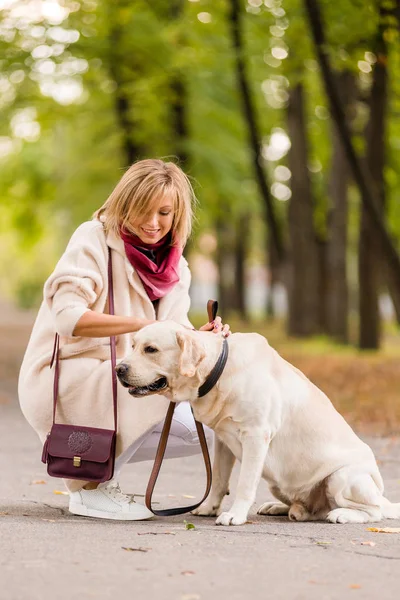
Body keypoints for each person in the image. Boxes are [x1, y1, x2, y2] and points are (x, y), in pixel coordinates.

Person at [18, 159, 230, 521]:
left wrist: (201, 338)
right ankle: (89, 488)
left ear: (177, 212)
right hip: (70, 375)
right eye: (141, 210)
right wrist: (143, 325)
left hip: (124, 372)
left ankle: (97, 479)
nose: (152, 223)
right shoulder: (93, 238)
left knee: (219, 419)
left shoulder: (177, 267)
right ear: (123, 205)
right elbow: (69, 317)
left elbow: (172, 333)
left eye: (164, 212)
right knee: (163, 394)